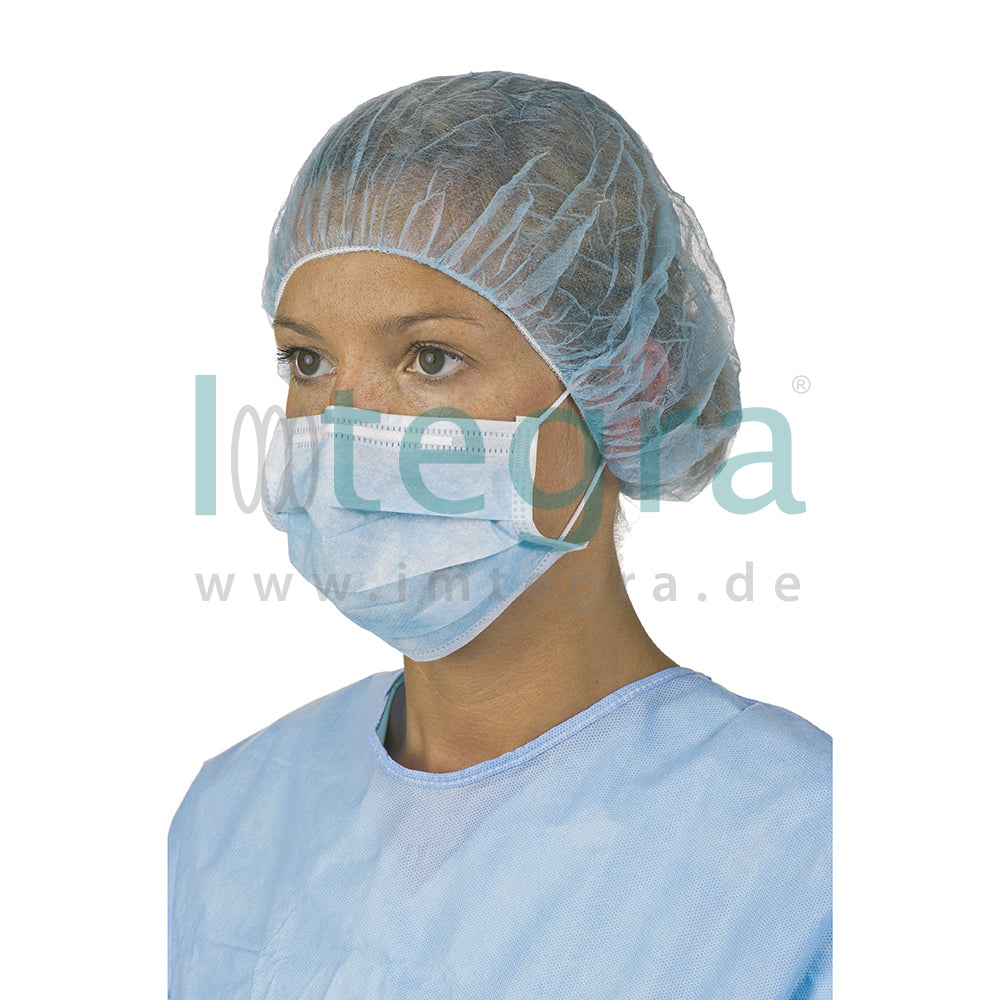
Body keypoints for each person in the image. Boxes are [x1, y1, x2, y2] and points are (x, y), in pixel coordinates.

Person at [169, 71, 831, 999]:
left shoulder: (806, 849)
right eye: (307, 360)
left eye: (430, 358)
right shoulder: (230, 815)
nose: (343, 430)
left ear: (629, 388)